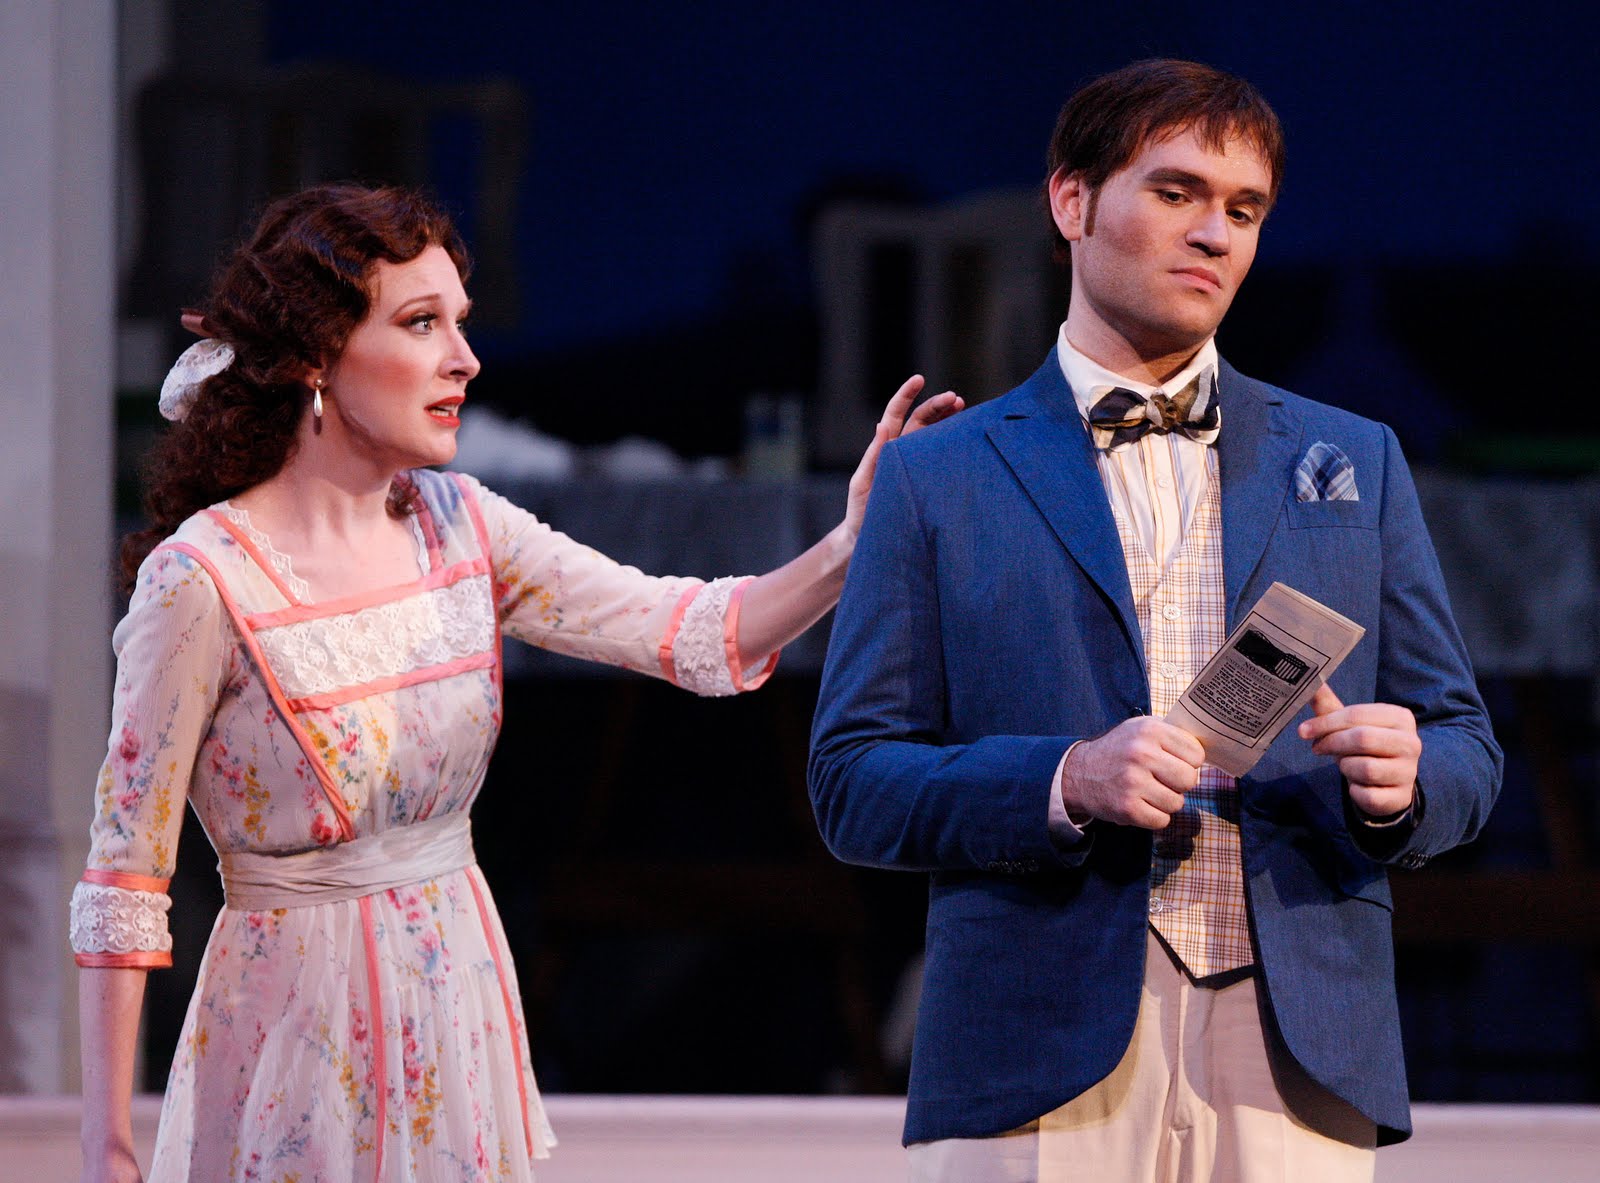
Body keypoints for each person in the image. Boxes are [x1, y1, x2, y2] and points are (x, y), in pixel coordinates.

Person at [73, 183, 961, 1183]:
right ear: (317, 354)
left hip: (451, 1009)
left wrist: (848, 544)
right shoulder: (202, 579)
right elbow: (124, 879)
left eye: (461, 322)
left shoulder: (462, 525)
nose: (465, 358)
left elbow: (689, 632)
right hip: (293, 1034)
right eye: (422, 323)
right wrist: (107, 1145)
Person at [808, 59, 1501, 1183]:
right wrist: (1064, 778)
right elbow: (852, 781)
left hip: (1297, 1043)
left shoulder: (1354, 459)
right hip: (1039, 1038)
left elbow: (1465, 743)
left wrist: (1408, 782)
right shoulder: (940, 474)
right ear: (1071, 201)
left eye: (1245, 210)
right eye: (1176, 192)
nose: (1215, 234)